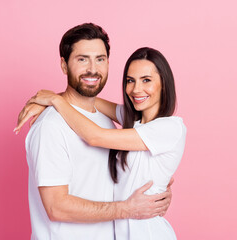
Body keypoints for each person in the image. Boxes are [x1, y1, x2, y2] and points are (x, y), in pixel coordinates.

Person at [14, 23, 173, 240]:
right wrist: (128, 209)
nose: (92, 68)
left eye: (100, 59)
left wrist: (158, 194)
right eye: (82, 59)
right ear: (64, 65)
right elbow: (56, 207)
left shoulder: (106, 119)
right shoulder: (50, 127)